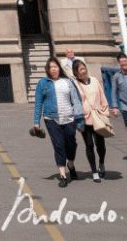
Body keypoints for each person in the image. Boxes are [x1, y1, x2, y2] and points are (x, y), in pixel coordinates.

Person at [33, 56, 85, 187]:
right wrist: (36, 122)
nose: (54, 69)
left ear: (59, 68)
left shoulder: (68, 82)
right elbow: (38, 103)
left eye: (55, 66)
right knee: (59, 145)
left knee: (71, 144)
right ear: (47, 70)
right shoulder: (42, 83)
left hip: (69, 118)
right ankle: (63, 175)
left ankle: (71, 164)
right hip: (51, 119)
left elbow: (77, 100)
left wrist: (80, 120)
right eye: (51, 67)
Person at [72, 58, 110, 182]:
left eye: (84, 68)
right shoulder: (75, 85)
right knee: (89, 145)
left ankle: (102, 163)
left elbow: (102, 96)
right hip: (84, 119)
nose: (83, 71)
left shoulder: (94, 81)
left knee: (101, 145)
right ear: (76, 73)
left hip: (98, 117)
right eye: (81, 69)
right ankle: (94, 172)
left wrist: (105, 111)